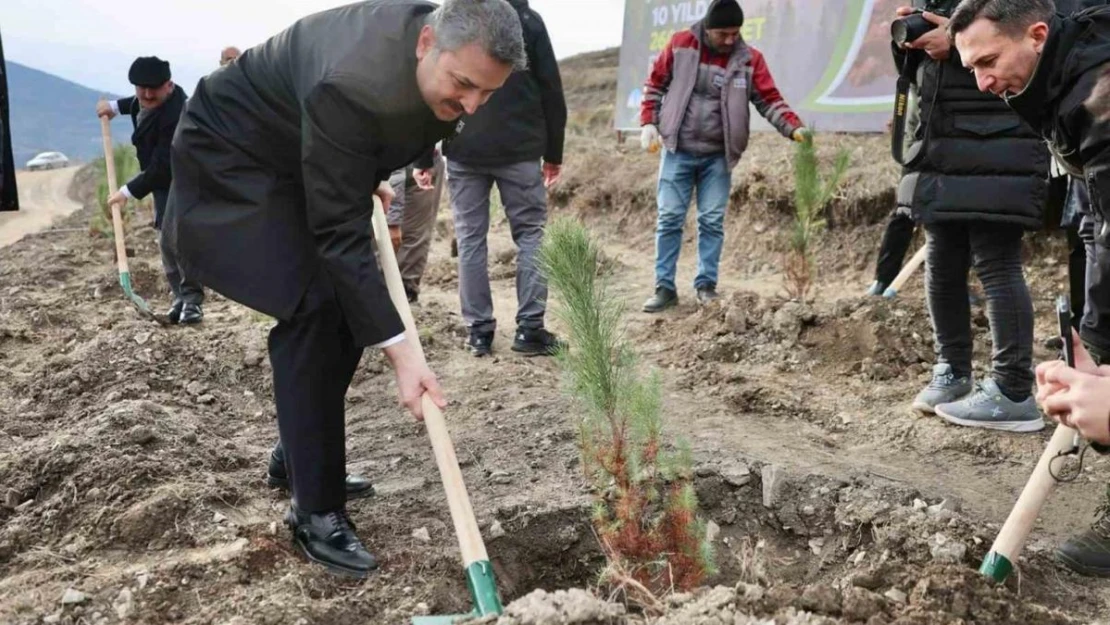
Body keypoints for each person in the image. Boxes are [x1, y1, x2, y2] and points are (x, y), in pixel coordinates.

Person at [163, 0, 525, 578]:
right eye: (463, 85)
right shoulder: (351, 82)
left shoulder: (441, 68)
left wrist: (359, 174)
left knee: (347, 307)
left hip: (297, 149)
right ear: (426, 42)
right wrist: (403, 352)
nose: (473, 104)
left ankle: (301, 458)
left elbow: (390, 129)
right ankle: (315, 511)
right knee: (316, 308)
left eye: (488, 92)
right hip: (234, 155)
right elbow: (339, 236)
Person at [948, 0, 1110, 577]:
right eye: (970, 68)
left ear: (1037, 35)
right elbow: (1093, 213)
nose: (982, 80)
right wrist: (1094, 336)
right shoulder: (1059, 82)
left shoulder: (1097, 89)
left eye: (989, 60)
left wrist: (1102, 343)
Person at [886, 1, 1046, 433]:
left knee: (996, 262)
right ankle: (952, 371)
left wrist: (955, 42)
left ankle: (1013, 390)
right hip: (941, 140)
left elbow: (1012, 46)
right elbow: (921, 69)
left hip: (999, 135)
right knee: (941, 258)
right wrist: (910, 40)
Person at [639, 0, 808, 313]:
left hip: (718, 156)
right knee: (670, 218)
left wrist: (793, 128)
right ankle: (664, 287)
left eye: (736, 33)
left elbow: (769, 99)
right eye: (724, 34)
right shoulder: (680, 45)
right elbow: (655, 85)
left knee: (712, 220)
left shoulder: (749, 59)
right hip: (679, 150)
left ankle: (706, 286)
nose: (731, 39)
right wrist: (649, 121)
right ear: (708, 27)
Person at [443, 0, 567, 357]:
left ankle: (478, 332)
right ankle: (530, 331)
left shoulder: (461, 16)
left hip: (464, 143)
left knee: (470, 238)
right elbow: (551, 89)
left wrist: (424, 154)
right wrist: (554, 153)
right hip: (520, 147)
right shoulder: (528, 20)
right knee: (531, 235)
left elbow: (439, 79)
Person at [96, 56, 204, 324]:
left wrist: (127, 191)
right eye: (140, 87)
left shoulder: (178, 114)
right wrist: (110, 107)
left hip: (185, 176)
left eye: (152, 88)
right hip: (160, 180)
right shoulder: (146, 99)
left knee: (177, 238)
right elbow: (133, 104)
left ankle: (192, 302)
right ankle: (179, 297)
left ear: (169, 85)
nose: (145, 94)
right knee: (164, 239)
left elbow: (163, 165)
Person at [386, 145, 447, 303]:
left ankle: (406, 294)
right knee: (389, 237)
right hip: (398, 163)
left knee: (414, 236)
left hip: (420, 162)